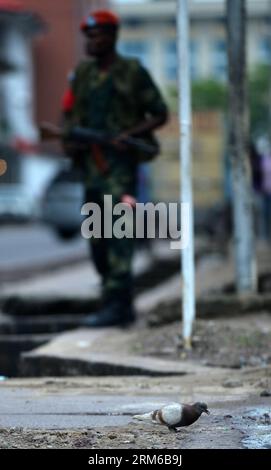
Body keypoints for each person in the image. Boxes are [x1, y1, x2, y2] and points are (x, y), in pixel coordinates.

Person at [62, 9, 168, 327]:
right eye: (88, 36)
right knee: (97, 239)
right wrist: (71, 140)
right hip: (91, 166)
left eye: (98, 36)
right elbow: (69, 113)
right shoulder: (82, 74)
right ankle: (116, 301)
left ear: (113, 37)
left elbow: (159, 113)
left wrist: (129, 135)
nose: (91, 42)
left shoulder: (132, 72)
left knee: (118, 233)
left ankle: (117, 305)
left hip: (120, 167)